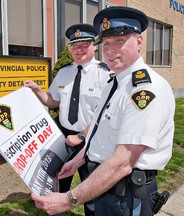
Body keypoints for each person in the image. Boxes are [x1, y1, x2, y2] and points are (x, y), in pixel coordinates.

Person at [31, 6, 175, 216]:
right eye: (106, 43)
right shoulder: (115, 82)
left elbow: (123, 163)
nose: (110, 50)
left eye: (119, 41)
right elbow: (100, 132)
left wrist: (67, 200)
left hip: (125, 193)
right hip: (104, 185)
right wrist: (78, 160)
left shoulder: (145, 89)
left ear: (139, 42)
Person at [25, 23, 111, 215]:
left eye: (84, 44)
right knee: (58, 182)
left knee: (92, 189)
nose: (79, 49)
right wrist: (37, 90)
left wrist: (81, 136)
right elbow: (53, 102)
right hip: (63, 139)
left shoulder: (105, 74)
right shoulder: (64, 72)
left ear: (94, 46)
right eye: (75, 45)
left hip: (91, 140)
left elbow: (106, 115)